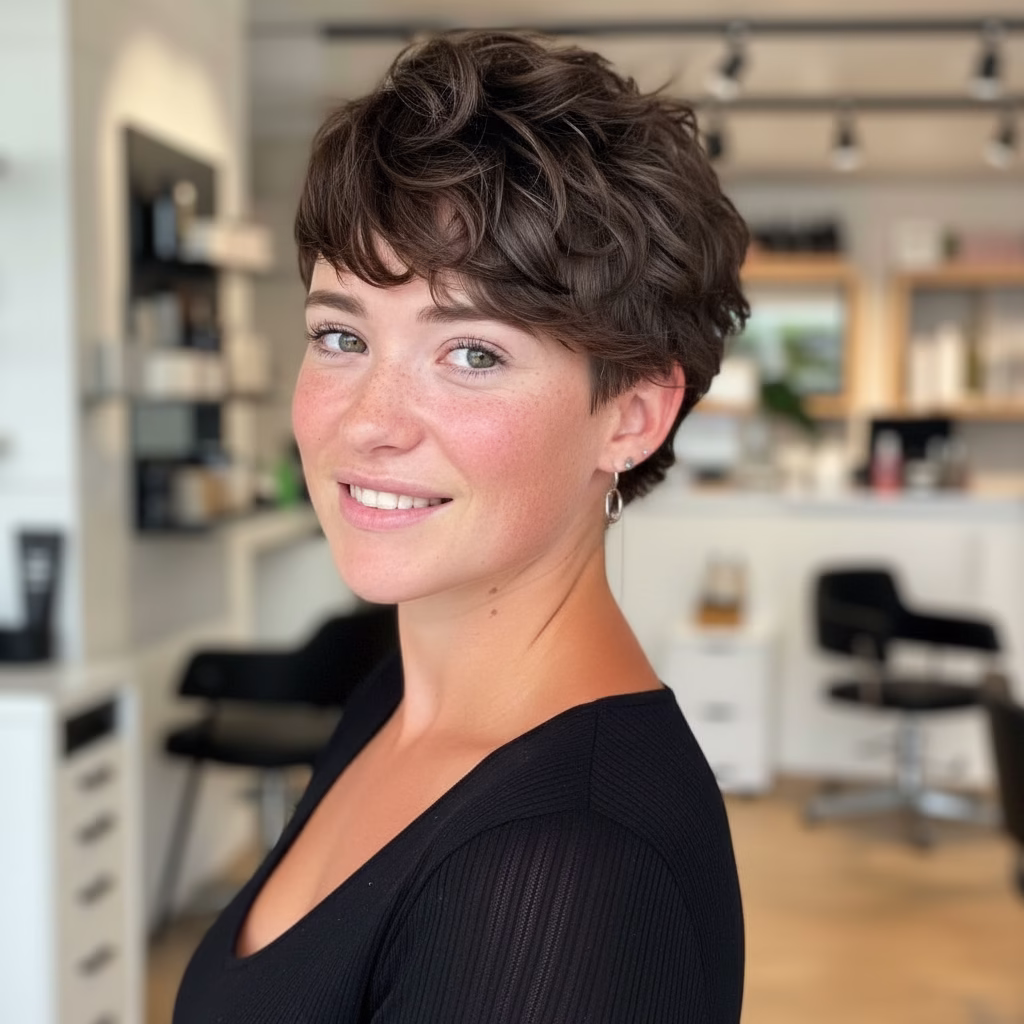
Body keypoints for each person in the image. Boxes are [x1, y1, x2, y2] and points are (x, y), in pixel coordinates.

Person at [174, 29, 750, 1023]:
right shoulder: (395, 699)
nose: (369, 422)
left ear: (631, 415)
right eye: (340, 335)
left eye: (472, 354)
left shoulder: (566, 874)